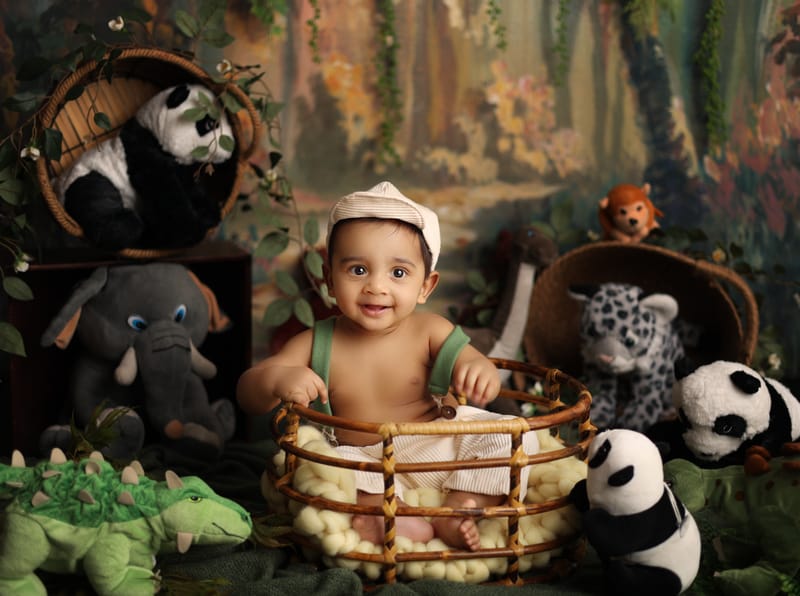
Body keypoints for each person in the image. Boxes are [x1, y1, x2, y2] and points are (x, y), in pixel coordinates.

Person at [237, 181, 539, 551]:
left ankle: (462, 504)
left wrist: (480, 370)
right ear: (329, 279)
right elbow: (249, 391)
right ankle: (380, 514)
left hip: (434, 446)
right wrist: (278, 378)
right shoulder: (317, 341)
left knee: (514, 435)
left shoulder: (430, 330)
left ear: (425, 286)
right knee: (316, 466)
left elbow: (473, 359)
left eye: (398, 273)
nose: (376, 287)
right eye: (358, 270)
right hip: (362, 458)